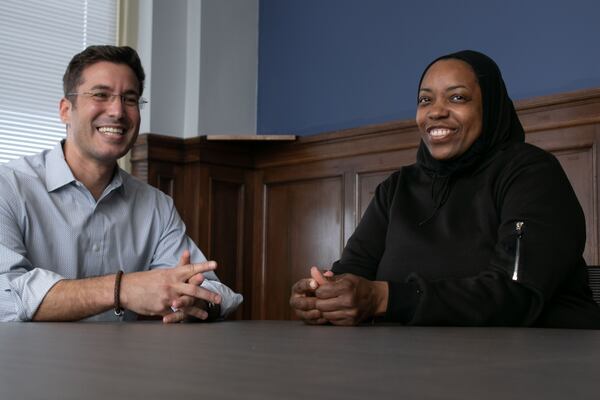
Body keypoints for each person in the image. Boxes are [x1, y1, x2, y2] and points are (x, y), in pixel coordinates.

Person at [290, 50, 600, 328]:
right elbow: (353, 273)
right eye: (426, 100)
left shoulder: (530, 174)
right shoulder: (398, 188)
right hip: (412, 367)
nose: (436, 111)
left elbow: (517, 291)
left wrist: (385, 298)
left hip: (537, 365)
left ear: (489, 107)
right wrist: (324, 297)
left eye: (457, 97)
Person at [0, 45, 242, 322]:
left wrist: (191, 300)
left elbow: (216, 291)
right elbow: (4, 298)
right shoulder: (8, 187)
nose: (117, 111)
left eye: (129, 99)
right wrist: (121, 289)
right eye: (101, 95)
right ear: (66, 110)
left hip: (125, 364)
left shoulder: (156, 207)